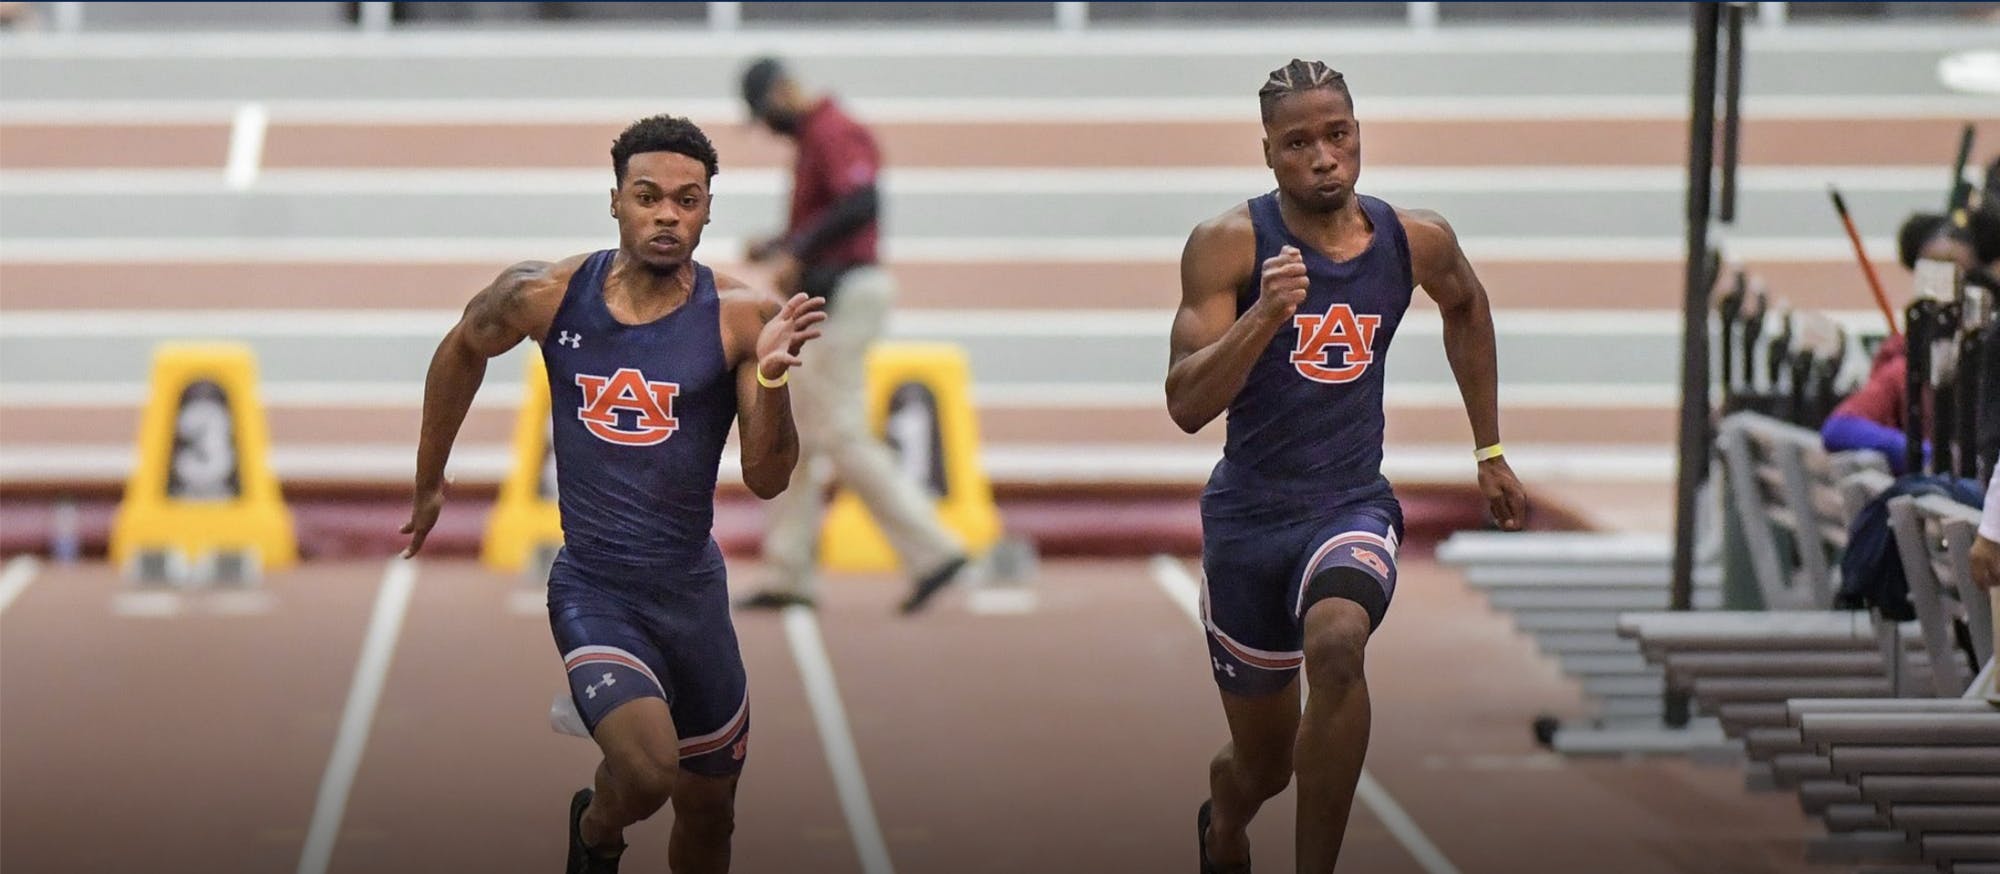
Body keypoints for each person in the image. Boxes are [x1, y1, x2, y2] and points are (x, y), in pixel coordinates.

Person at [398, 115, 827, 874]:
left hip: (692, 596)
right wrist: (431, 479)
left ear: (706, 210)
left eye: (687, 200)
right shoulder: (548, 296)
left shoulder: (740, 321)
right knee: (648, 772)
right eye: (649, 196)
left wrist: (770, 378)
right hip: (596, 588)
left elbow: (766, 480)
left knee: (710, 813)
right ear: (616, 202)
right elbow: (464, 345)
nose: (668, 214)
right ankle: (596, 833)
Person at [1164, 59, 1527, 873]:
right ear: (1268, 153)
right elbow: (1186, 404)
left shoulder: (1413, 239)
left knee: (1337, 645)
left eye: (1338, 135)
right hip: (1249, 522)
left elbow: (1467, 305)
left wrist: (1490, 448)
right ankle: (1222, 824)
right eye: (1299, 143)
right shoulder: (1229, 244)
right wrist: (1264, 315)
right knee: (1262, 769)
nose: (1323, 156)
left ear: (1359, 135)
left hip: (1350, 506)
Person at [731, 56, 972, 615]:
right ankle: (789, 570)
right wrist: (780, 244)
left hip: (848, 294)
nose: (768, 127)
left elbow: (862, 202)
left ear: (785, 91)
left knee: (839, 431)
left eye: (767, 113)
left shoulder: (833, 130)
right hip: (829, 293)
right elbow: (831, 216)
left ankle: (935, 551)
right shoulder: (816, 137)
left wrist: (796, 249)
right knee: (798, 432)